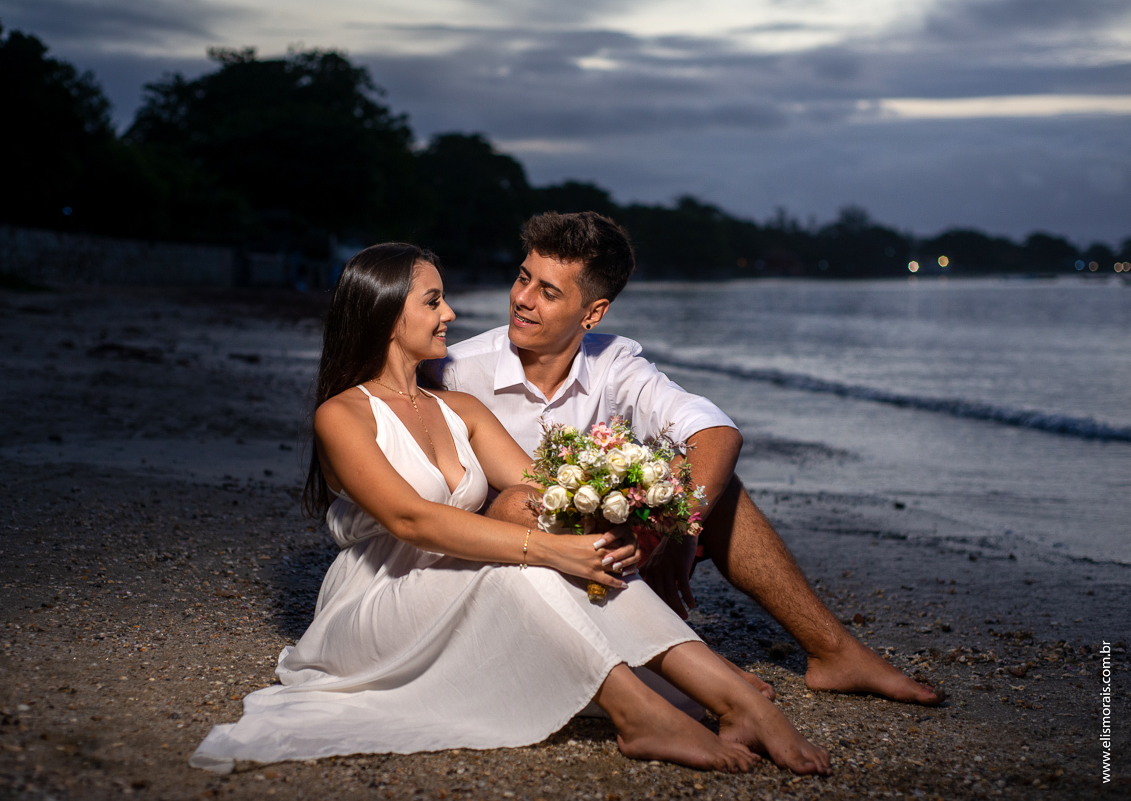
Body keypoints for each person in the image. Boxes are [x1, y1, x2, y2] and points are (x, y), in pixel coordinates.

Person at [189, 243, 832, 776]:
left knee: (557, 550)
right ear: (388, 315)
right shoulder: (342, 414)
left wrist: (626, 524)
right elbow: (411, 520)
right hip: (377, 598)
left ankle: (734, 697)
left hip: (453, 579)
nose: (452, 314)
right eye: (434, 301)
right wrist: (553, 550)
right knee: (521, 564)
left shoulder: (461, 410)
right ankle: (640, 715)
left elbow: (538, 487)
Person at [431, 211, 942, 706]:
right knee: (524, 502)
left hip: (592, 560)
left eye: (548, 292)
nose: (522, 300)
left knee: (720, 491)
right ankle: (681, 657)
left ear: (593, 312)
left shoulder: (613, 362)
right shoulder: (454, 370)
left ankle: (834, 653)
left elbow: (716, 433)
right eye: (524, 278)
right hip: (495, 559)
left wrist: (676, 526)